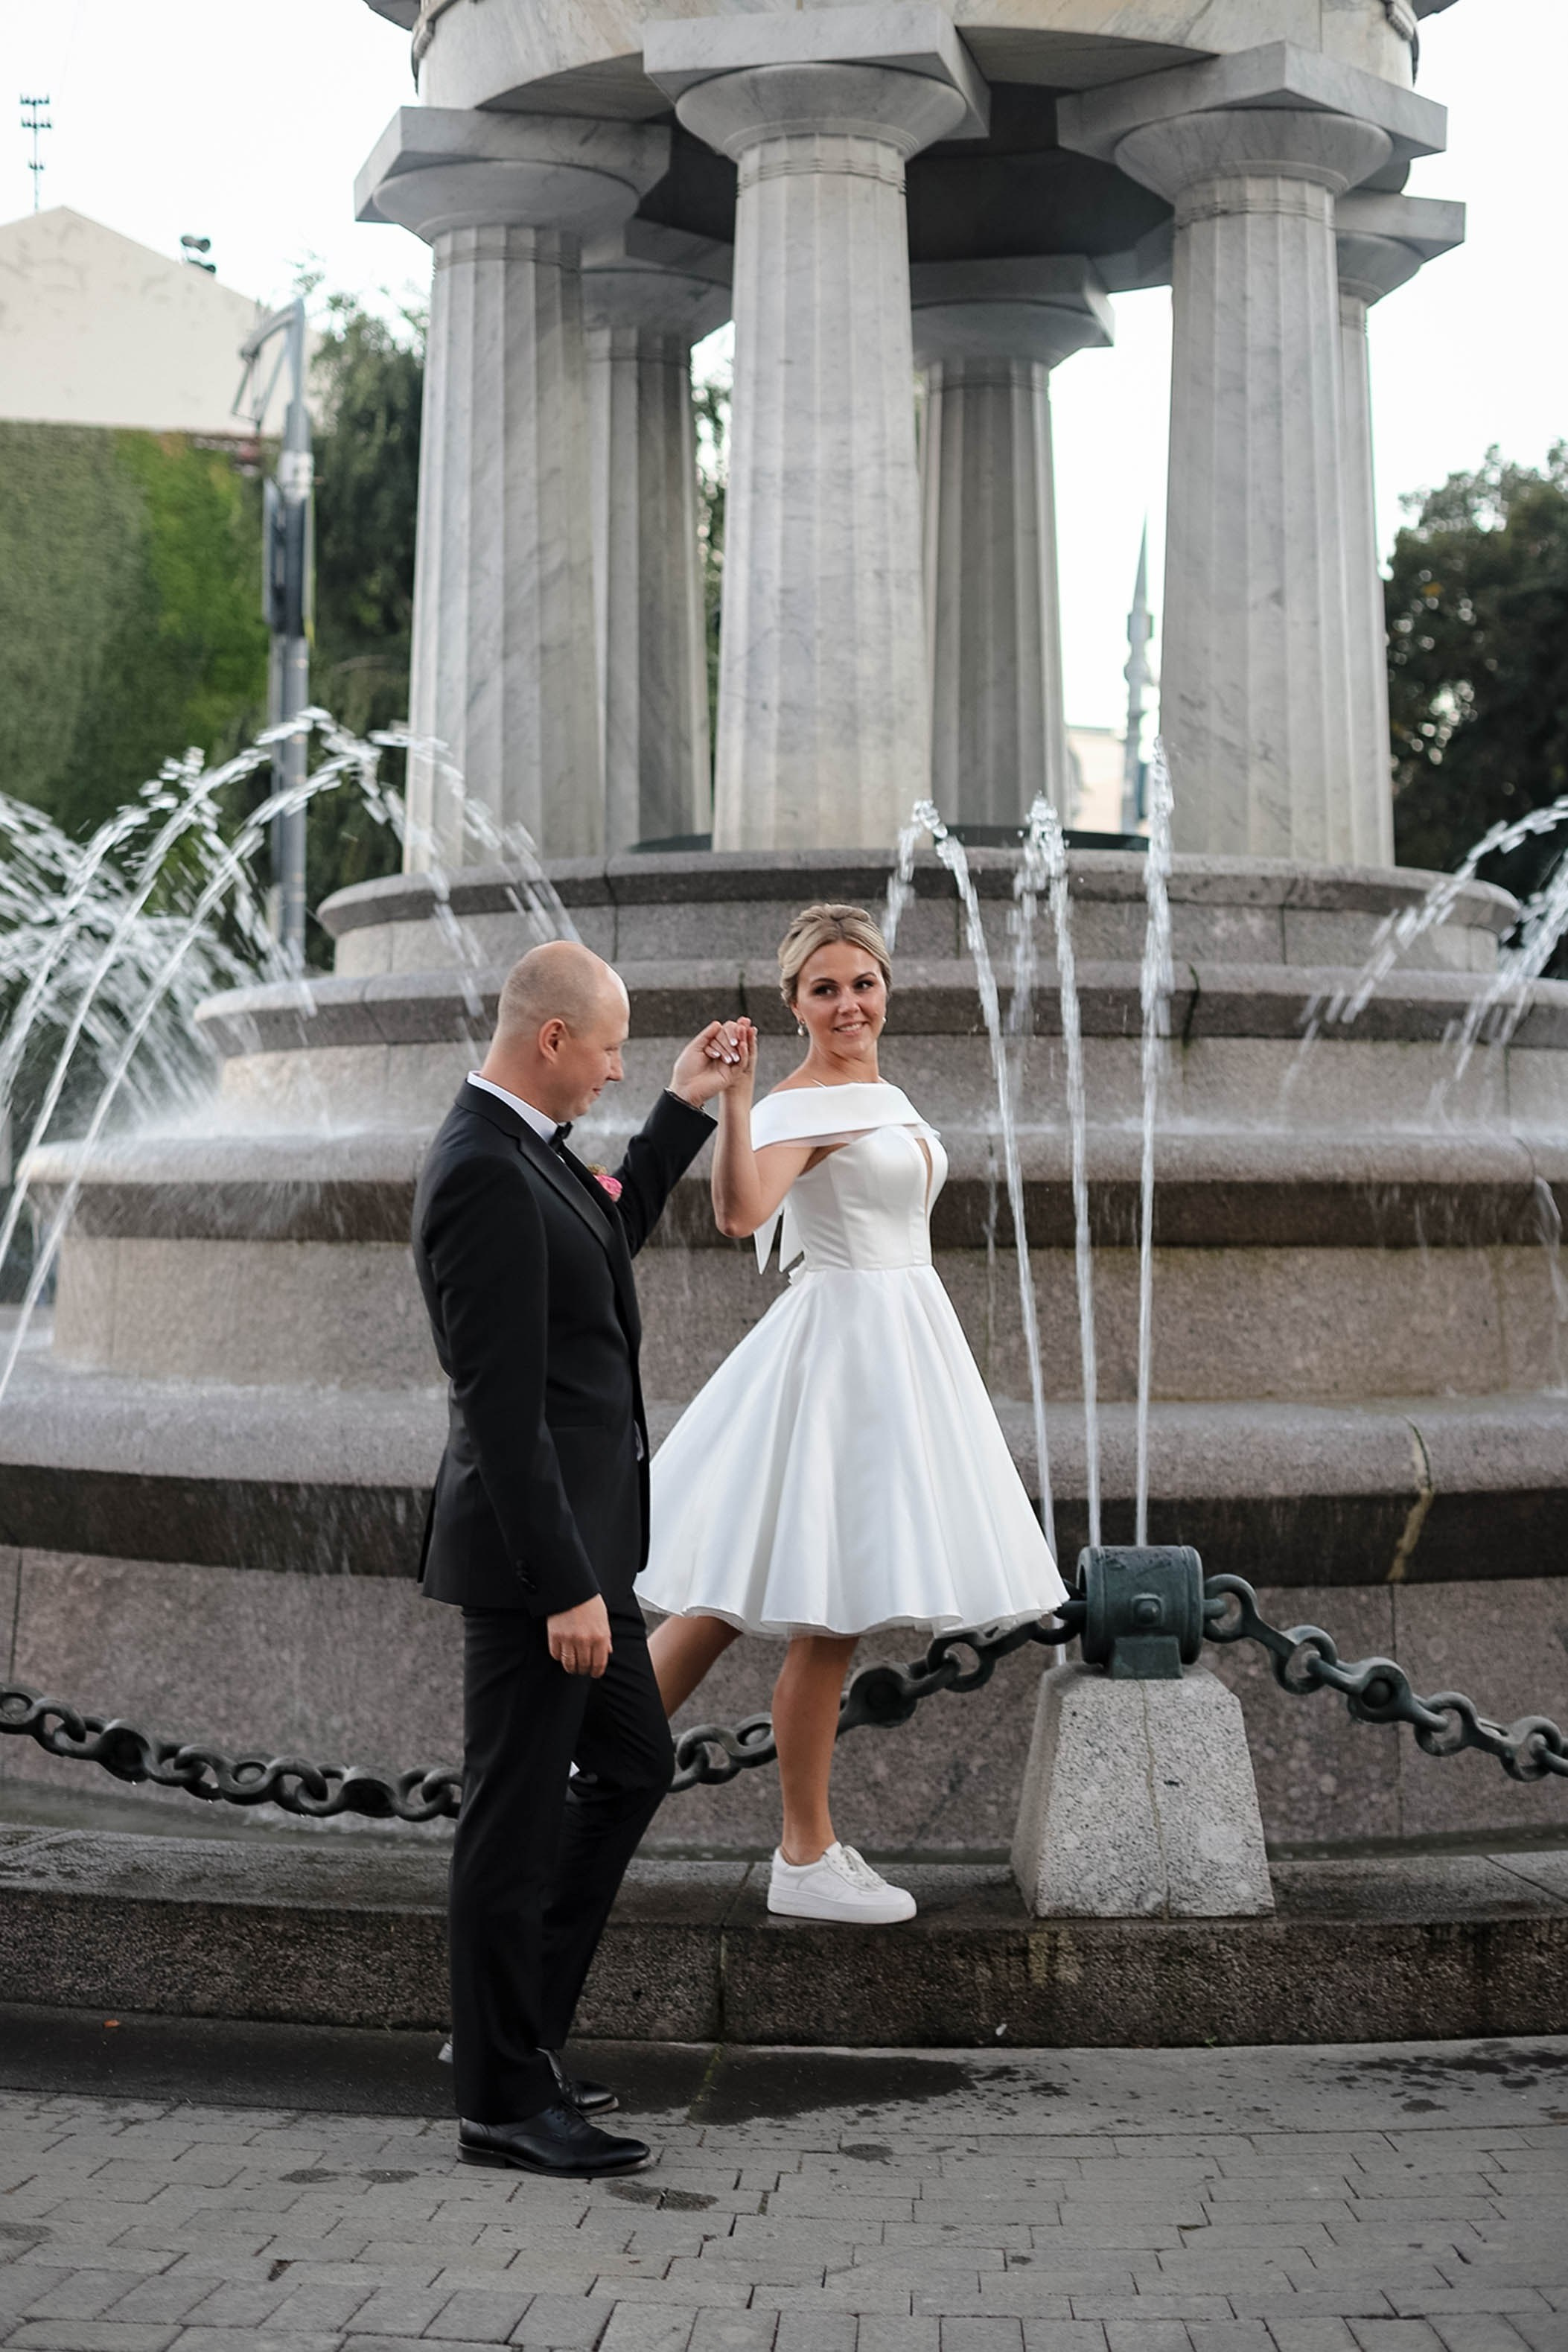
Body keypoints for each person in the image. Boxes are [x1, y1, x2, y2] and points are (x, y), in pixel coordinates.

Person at [637, 902, 1066, 1925]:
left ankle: (576, 1775)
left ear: (885, 990)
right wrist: (738, 1103)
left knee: (736, 1592)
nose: (846, 1003)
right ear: (794, 1004)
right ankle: (802, 1854)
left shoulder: (877, 1086)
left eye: (861, 983)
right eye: (823, 989)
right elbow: (740, 1213)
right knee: (807, 1608)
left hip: (897, 1341)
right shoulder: (798, 1103)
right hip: (840, 1349)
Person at [412, 940, 746, 2179]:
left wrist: (678, 1105)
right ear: (550, 1039)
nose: (612, 1072)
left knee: (630, 1764)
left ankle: (519, 2039)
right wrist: (564, 1585)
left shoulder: (528, 1154)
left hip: (582, 1551)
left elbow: (608, 1237)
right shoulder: (479, 1171)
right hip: (532, 1566)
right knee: (507, 1821)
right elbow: (498, 1409)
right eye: (607, 1051)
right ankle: (500, 2098)